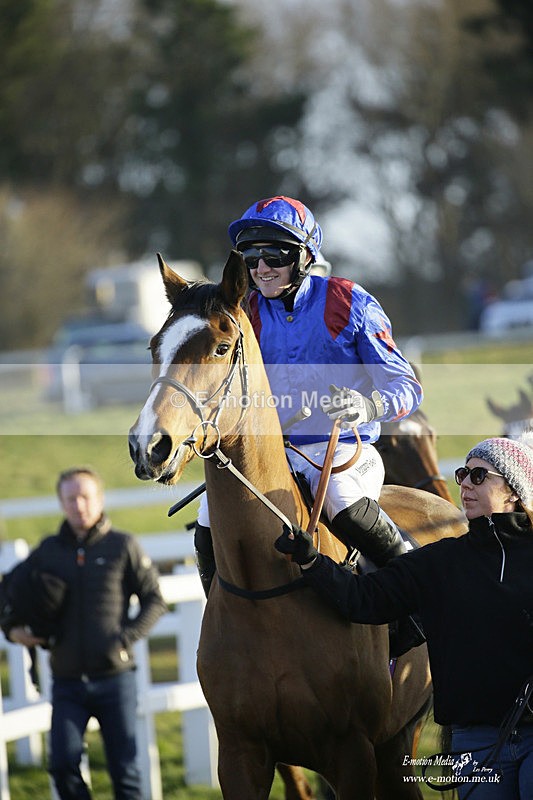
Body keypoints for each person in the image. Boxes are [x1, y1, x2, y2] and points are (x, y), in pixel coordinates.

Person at [275, 434, 533, 799]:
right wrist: (312, 562)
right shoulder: (441, 560)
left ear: (513, 491)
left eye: (479, 477)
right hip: (476, 740)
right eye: (463, 474)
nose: (464, 485)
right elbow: (364, 599)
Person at [195, 195, 422, 595]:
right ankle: (221, 619)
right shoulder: (243, 311)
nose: (261, 269)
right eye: (250, 258)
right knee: (207, 518)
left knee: (344, 503)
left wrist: (367, 405)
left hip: (342, 450)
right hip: (270, 453)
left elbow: (406, 386)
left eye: (274, 256)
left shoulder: (349, 301)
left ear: (304, 256)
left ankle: (420, 595)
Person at [1, 467, 166, 800]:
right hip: (67, 682)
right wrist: (12, 631)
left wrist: (124, 639)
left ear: (99, 499)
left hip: (116, 679)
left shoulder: (123, 546)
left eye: (85, 496)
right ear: (61, 502)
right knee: (62, 766)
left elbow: (155, 600)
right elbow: (9, 590)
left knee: (126, 773)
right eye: (71, 498)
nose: (79, 505)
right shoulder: (48, 550)